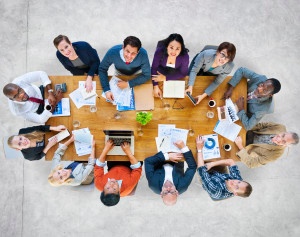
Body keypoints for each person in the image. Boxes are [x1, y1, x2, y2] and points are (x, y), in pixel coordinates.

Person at [196, 135, 252, 201]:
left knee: (197, 157)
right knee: (220, 152)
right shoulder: (238, 180)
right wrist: (212, 164)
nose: (234, 182)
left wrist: (199, 149)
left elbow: (201, 170)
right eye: (239, 182)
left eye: (236, 187)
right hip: (220, 173)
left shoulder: (216, 190)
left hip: (207, 178)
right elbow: (231, 161)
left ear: (235, 193)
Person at [99, 36, 151, 102]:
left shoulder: (143, 54)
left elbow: (147, 75)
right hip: (119, 73)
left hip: (137, 74)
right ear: (123, 47)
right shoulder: (112, 52)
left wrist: (129, 84)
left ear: (138, 52)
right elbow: (102, 69)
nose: (129, 56)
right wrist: (106, 90)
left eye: (133, 53)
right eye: (127, 51)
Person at [145, 140, 196, 206]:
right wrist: (184, 148)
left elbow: (148, 162)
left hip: (159, 154)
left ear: (161, 193)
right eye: (172, 191)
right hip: (177, 154)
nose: (168, 188)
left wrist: (167, 156)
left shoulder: (153, 184)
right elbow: (192, 167)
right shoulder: (183, 186)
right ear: (177, 192)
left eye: (166, 192)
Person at [94, 140, 142, 207]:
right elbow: (137, 168)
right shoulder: (128, 186)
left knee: (111, 142)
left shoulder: (99, 184)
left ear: (103, 189)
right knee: (139, 146)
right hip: (130, 165)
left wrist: (106, 149)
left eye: (107, 188)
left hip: (113, 166)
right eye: (114, 189)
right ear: (119, 192)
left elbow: (98, 166)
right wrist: (128, 152)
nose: (112, 184)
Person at [234, 122, 299, 168]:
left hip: (244, 149)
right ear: (285, 132)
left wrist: (240, 146)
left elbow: (251, 163)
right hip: (247, 133)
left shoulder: (276, 154)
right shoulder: (280, 127)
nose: (279, 139)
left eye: (284, 141)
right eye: (283, 135)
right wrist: (245, 129)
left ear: (287, 146)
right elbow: (262, 125)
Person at [151, 33, 189, 97]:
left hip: (175, 75)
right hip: (160, 74)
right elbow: (154, 68)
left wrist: (166, 78)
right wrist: (155, 86)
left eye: (177, 49)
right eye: (171, 48)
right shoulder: (160, 51)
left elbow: (183, 73)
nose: (173, 52)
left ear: (181, 49)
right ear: (167, 46)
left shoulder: (184, 56)